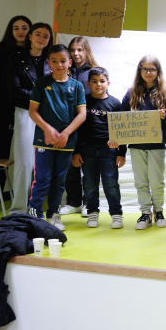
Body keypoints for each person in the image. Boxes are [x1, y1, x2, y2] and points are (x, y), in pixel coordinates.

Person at [26, 43, 87, 230]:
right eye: (54, 61)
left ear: (69, 62)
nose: (59, 65)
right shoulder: (41, 84)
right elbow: (33, 111)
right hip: (45, 141)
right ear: (48, 63)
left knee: (60, 180)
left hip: (66, 142)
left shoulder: (76, 86)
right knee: (42, 178)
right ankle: (34, 216)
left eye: (63, 61)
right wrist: (47, 129)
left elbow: (82, 114)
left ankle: (53, 214)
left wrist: (66, 133)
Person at [0, 15, 31, 215]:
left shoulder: (33, 52)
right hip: (2, 111)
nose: (20, 31)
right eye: (16, 28)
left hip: (28, 112)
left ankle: (27, 201)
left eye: (24, 27)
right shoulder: (0, 51)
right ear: (10, 31)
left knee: (27, 158)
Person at [121, 55, 166, 230]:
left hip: (157, 145)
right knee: (141, 181)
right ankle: (145, 213)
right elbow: (121, 120)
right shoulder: (131, 93)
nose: (148, 72)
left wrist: (164, 116)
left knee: (157, 181)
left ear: (158, 71)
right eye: (145, 69)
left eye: (152, 69)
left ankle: (159, 211)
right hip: (136, 145)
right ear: (140, 71)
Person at [71, 67, 126, 229]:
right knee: (89, 183)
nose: (98, 84)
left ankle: (116, 214)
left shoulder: (115, 103)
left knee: (110, 183)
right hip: (86, 150)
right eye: (94, 81)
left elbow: (122, 130)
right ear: (88, 83)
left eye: (102, 81)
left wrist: (121, 153)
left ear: (108, 83)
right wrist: (75, 152)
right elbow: (76, 128)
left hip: (109, 151)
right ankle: (92, 213)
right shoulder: (82, 101)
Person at [7, 22, 51, 214]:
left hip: (49, 114)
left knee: (49, 161)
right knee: (25, 161)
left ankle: (45, 207)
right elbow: (14, 90)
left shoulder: (52, 60)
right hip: (25, 111)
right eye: (38, 34)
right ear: (30, 36)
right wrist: (38, 95)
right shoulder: (16, 59)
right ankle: (18, 208)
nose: (42, 39)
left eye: (46, 36)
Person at [60, 36, 100, 216]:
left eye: (79, 50)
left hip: (88, 125)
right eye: (73, 50)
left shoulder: (93, 72)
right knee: (70, 165)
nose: (76, 54)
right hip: (68, 124)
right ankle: (74, 202)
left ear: (86, 51)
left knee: (89, 166)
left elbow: (101, 95)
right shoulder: (64, 71)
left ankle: (88, 204)